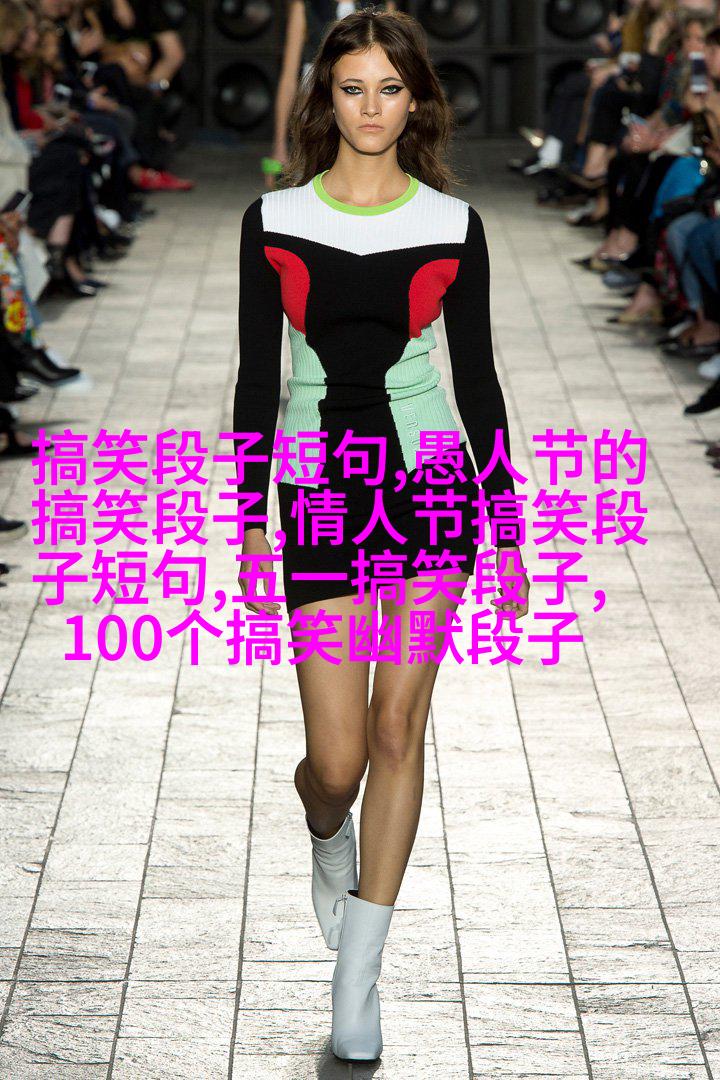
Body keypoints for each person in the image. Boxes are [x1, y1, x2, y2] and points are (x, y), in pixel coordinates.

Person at [232, 6, 530, 1062]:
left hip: (434, 481)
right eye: (352, 87)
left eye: (389, 89)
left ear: (416, 102)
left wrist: (507, 528)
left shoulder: (452, 225)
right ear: (327, 97)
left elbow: (478, 381)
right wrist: (249, 516)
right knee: (338, 760)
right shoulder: (273, 219)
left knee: (399, 730)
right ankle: (327, 832)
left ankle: (357, 979)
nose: (370, 107)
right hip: (320, 486)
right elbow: (257, 379)